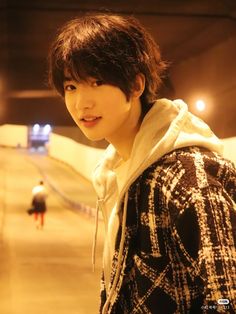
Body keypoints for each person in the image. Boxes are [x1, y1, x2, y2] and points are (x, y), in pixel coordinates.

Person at [48, 13, 236, 313]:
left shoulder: (187, 178)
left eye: (97, 82)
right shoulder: (120, 173)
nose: (82, 102)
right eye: (71, 86)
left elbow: (226, 297)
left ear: (136, 86)